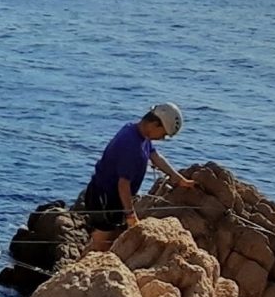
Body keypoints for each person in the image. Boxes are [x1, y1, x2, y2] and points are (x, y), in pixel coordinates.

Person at [80, 103, 193, 252]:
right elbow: (123, 184)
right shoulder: (131, 146)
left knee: (112, 237)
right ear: (155, 124)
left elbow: (155, 156)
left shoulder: (138, 133)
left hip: (113, 197)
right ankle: (90, 263)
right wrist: (130, 215)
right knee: (103, 240)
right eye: (164, 134)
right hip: (105, 197)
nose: (163, 138)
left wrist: (178, 178)